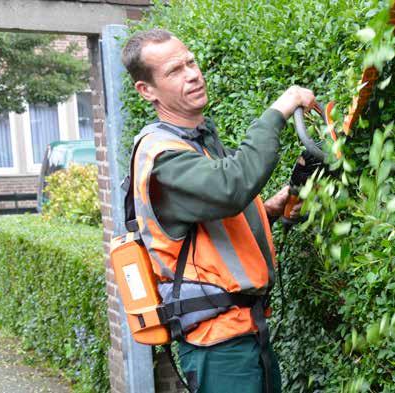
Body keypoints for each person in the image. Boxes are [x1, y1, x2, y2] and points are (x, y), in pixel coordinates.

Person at [122, 28, 315, 393]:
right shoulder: (162, 158)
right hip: (218, 346)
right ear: (146, 90)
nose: (193, 74)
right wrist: (280, 109)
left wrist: (276, 204)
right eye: (174, 71)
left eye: (190, 62)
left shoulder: (198, 142)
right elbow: (231, 187)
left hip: (248, 334)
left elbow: (216, 228)